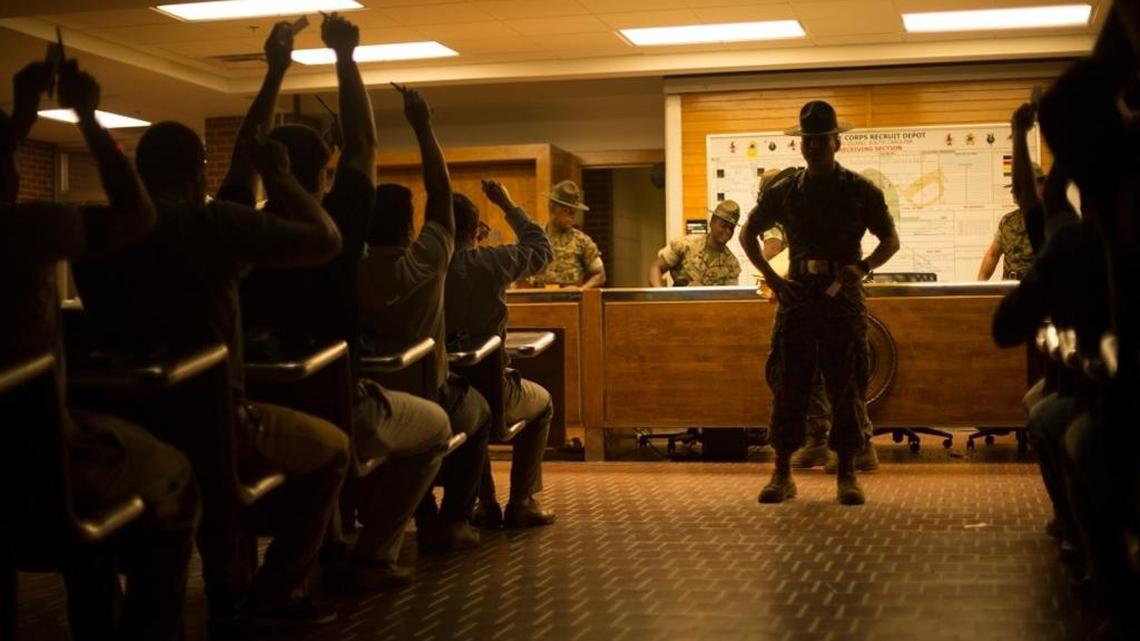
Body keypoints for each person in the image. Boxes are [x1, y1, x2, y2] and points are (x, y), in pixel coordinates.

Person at [71, 86, 351, 630]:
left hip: (127, 426)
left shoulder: (97, 231)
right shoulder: (215, 226)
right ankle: (276, 590)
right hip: (217, 418)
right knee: (335, 451)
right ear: (198, 169)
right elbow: (325, 239)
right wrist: (283, 177)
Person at [220, 16, 451, 591]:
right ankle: (373, 555)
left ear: (270, 170)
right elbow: (366, 143)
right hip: (336, 404)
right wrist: (345, 57)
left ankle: (315, 542)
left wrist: (276, 71)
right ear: (323, 172)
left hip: (248, 404)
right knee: (435, 427)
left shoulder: (236, 227)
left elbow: (245, 156)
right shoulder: (340, 227)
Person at [1, 59, 199, 641]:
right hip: (32, 462)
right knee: (177, 476)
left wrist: (18, 121)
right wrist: (85, 116)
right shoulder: (28, 229)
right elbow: (139, 215)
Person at [740, 100, 900, 506]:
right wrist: (775, 278)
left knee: (846, 384)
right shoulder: (785, 191)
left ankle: (847, 473)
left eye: (821, 140)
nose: (814, 147)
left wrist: (863, 268)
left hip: (842, 297)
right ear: (802, 146)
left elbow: (890, 240)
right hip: (797, 296)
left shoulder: (860, 191)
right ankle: (782, 474)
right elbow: (749, 233)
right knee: (788, 383)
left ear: (836, 143)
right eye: (808, 141)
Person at [358, 85, 491, 554]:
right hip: (426, 393)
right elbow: (440, 193)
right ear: (408, 226)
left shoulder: (346, 270)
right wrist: (422, 126)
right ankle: (454, 519)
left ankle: (424, 511)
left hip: (367, 395)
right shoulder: (425, 262)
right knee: (478, 412)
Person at [447, 181, 557, 529]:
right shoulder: (492, 261)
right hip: (497, 394)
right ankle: (522, 500)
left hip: (443, 391)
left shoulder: (425, 267)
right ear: (476, 229)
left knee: (469, 403)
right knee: (544, 403)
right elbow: (541, 250)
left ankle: (487, 501)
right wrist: (508, 204)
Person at [757, 172, 879, 475]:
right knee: (808, 379)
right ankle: (816, 442)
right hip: (801, 305)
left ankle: (862, 447)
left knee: (842, 377)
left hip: (834, 304)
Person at [977, 104, 1046, 281]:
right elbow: (993, 254)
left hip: (1037, 290)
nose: (1014, 193)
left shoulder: (1050, 219)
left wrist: (1019, 132)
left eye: (1020, 188)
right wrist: (979, 284)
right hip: (1009, 288)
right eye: (1014, 189)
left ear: (1041, 186)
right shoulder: (1008, 222)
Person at [529, 180, 605, 288]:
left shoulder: (582, 241)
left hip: (571, 300)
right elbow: (514, 270)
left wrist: (580, 291)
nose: (573, 216)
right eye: (568, 211)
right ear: (553, 208)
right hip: (539, 300)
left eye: (575, 212)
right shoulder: (534, 237)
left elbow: (600, 274)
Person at [649, 200, 741, 287]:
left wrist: (703, 293)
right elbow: (656, 268)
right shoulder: (685, 245)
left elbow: (728, 298)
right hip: (679, 302)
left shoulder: (732, 264)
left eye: (731, 228)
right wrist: (661, 296)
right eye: (724, 226)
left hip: (710, 304)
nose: (728, 231)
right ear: (712, 222)